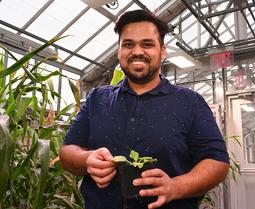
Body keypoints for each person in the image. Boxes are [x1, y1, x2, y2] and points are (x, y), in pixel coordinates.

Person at [59, 9, 229, 209]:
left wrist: (176, 186)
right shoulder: (98, 99)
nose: (137, 51)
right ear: (119, 50)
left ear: (162, 51)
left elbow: (217, 162)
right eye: (128, 44)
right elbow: (67, 151)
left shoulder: (190, 103)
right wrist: (87, 159)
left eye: (147, 44)